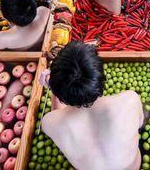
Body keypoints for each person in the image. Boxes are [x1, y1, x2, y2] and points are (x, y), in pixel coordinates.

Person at [40, 41, 143, 170]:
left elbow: (58, 113)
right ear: (101, 78)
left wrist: (54, 88)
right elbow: (139, 125)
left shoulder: (49, 122)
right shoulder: (129, 100)